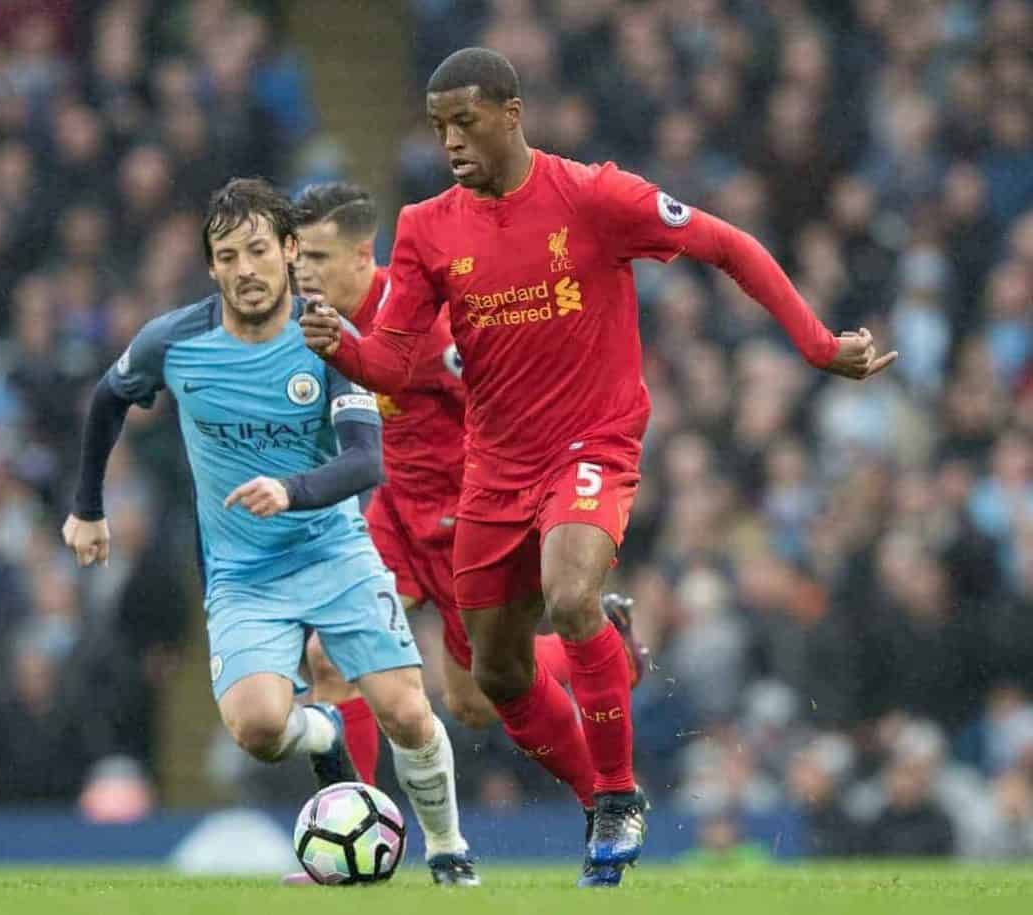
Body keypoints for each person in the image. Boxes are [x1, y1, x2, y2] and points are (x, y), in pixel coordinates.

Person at [301, 48, 897, 887]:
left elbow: (727, 243)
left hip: (592, 440)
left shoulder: (594, 196)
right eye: (439, 128)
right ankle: (596, 794)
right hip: (495, 466)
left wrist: (816, 342)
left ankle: (620, 789)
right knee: (492, 680)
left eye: (465, 122)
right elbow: (396, 363)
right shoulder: (430, 225)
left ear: (512, 112)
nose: (451, 142)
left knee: (571, 590)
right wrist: (348, 352)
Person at [62, 178, 478, 886]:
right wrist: (88, 507)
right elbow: (107, 399)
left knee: (408, 711)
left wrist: (290, 490)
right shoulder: (175, 341)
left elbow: (364, 460)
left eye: (259, 249)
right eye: (229, 256)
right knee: (256, 729)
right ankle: (322, 732)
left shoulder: (329, 338)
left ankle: (446, 848)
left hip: (337, 553)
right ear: (213, 267)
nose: (246, 269)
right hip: (244, 575)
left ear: (289, 251)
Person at [292, 181, 646, 783]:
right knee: (330, 656)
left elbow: (507, 408)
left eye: (319, 258)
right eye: (297, 256)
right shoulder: (314, 325)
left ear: (362, 255)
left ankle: (607, 649)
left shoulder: (423, 330)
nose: (304, 273)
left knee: (473, 702)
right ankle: (358, 822)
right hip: (395, 513)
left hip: (464, 525)